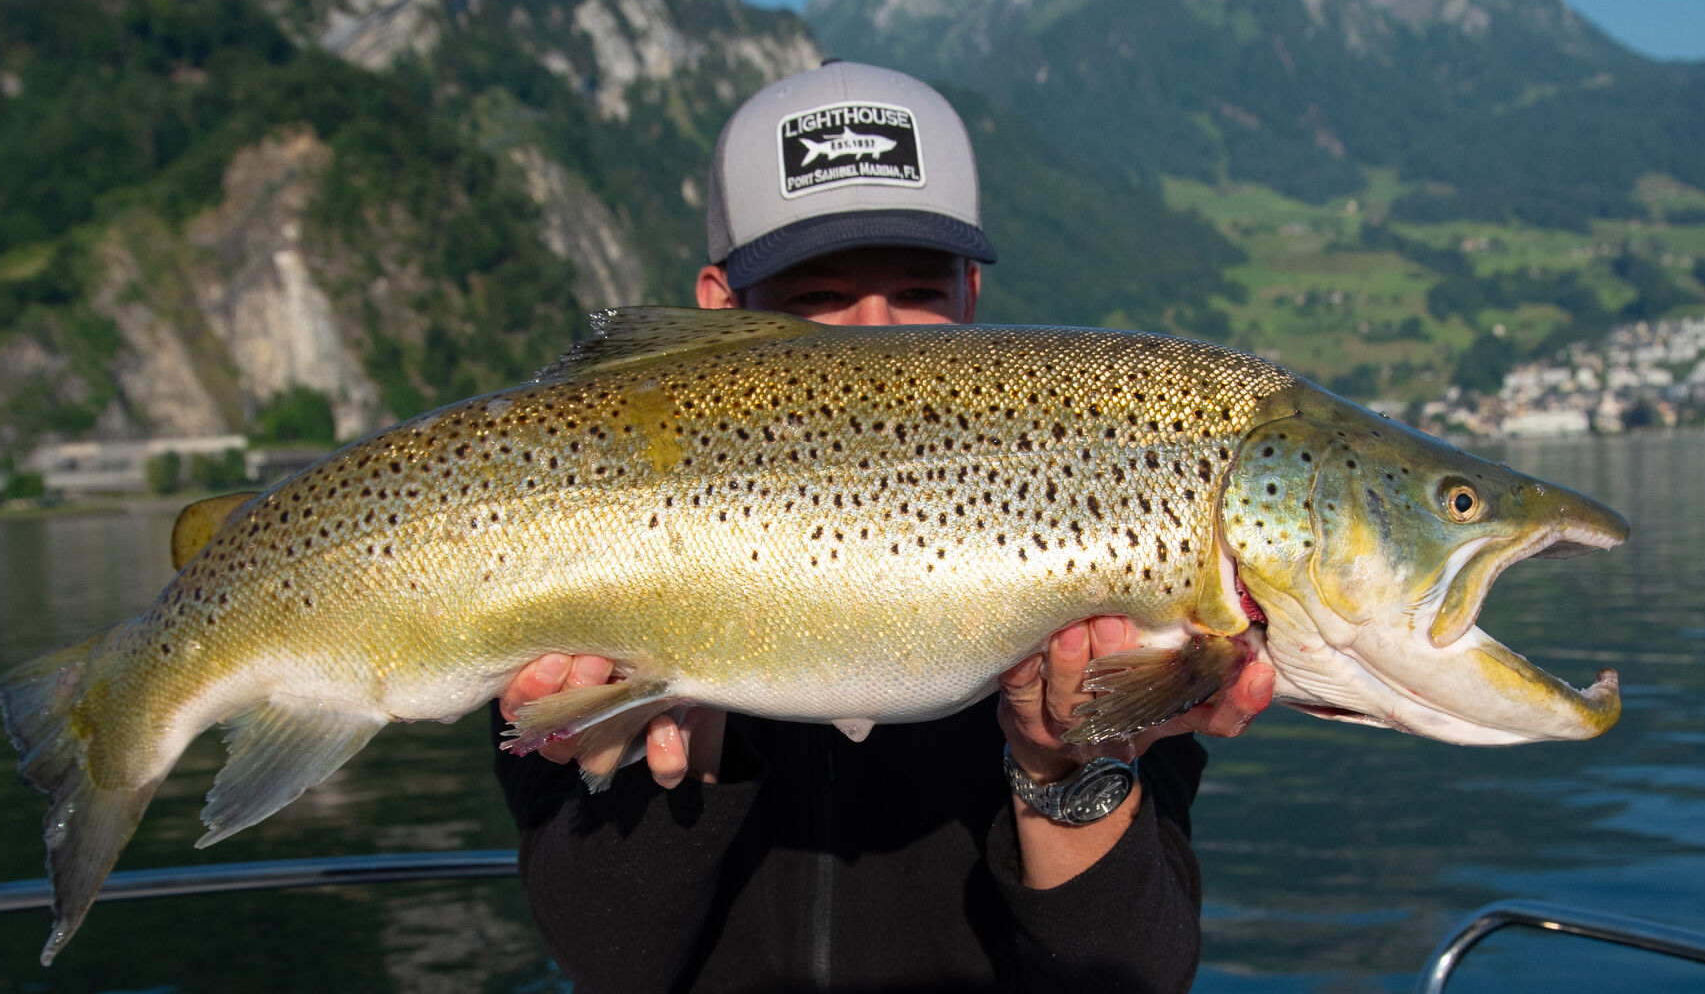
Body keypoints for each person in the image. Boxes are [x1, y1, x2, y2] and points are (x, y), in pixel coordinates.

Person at [491, 61, 1276, 992]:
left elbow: (1129, 977)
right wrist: (676, 751)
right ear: (718, 307)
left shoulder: (1107, 562)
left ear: (973, 300)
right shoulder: (568, 528)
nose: (872, 330)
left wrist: (1066, 763)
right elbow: (608, 956)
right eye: (815, 296)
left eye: (918, 289)